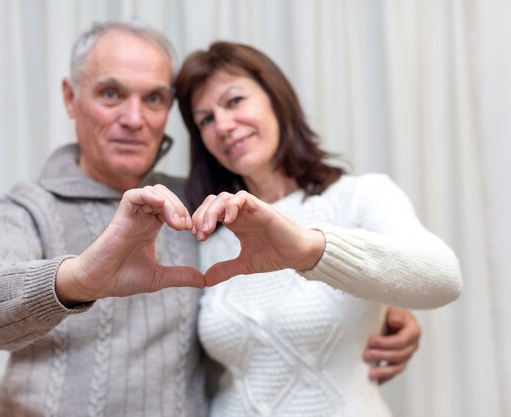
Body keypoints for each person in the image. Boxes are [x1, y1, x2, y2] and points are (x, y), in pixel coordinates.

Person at [0, 22, 421, 417]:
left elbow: (260, 300)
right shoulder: (26, 208)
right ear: (71, 98)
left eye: (153, 99)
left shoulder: (200, 205)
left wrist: (381, 306)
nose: (134, 118)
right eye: (111, 93)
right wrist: (81, 278)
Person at [174, 41, 463, 417]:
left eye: (234, 101)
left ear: (276, 99)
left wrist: (311, 251)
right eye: (205, 119)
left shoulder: (359, 197)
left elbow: (444, 278)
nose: (224, 125)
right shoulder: (208, 232)